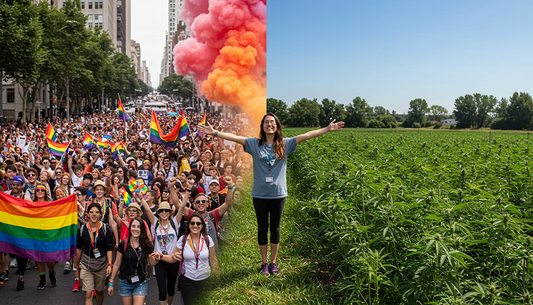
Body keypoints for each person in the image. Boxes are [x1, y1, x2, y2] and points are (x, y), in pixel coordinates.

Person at [197, 112, 345, 275]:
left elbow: (307, 135)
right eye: (267, 122)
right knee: (262, 228)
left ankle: (273, 262)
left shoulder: (285, 144)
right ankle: (264, 263)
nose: (270, 125)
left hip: (278, 194)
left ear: (277, 126)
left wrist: (327, 129)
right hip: (259, 194)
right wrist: (215, 133)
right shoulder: (254, 144)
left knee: (275, 228)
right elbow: (235, 137)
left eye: (272, 122)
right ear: (263, 126)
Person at [108, 217, 160, 305]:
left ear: (142, 229)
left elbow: (151, 263)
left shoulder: (146, 245)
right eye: (133, 226)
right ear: (130, 228)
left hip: (140, 282)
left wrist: (156, 260)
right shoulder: (123, 244)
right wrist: (111, 282)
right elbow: (117, 263)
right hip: (125, 281)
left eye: (138, 227)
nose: (135, 229)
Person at [173, 213, 220, 305]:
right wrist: (166, 257)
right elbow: (174, 256)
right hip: (187, 281)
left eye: (198, 223)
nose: (195, 225)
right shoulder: (183, 239)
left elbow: (213, 260)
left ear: (202, 225)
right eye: (192, 223)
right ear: (189, 225)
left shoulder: (207, 239)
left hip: (206, 280)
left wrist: (218, 278)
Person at [75, 202, 114, 305]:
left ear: (100, 214)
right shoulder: (82, 229)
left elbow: (109, 248)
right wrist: (76, 264)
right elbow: (79, 248)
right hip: (86, 264)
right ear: (87, 214)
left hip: (101, 265)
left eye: (97, 212)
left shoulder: (106, 230)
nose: (94, 214)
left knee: (100, 291)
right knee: (88, 293)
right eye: (91, 212)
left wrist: (110, 264)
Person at [151, 201, 183, 305]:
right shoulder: (156, 224)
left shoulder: (174, 223)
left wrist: (187, 191)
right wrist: (141, 198)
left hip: (173, 260)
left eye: (166, 210)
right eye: (161, 211)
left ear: (170, 212)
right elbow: (147, 210)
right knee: (162, 291)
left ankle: (170, 304)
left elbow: (181, 207)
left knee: (171, 288)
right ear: (158, 213)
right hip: (159, 260)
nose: (164, 212)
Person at [32, 183, 58, 289]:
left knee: (49, 258)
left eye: (42, 190)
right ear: (35, 192)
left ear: (45, 192)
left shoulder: (50, 204)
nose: (40, 192)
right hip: (36, 234)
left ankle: (52, 273)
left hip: (48, 234)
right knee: (39, 258)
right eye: (37, 190)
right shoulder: (31, 205)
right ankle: (42, 279)